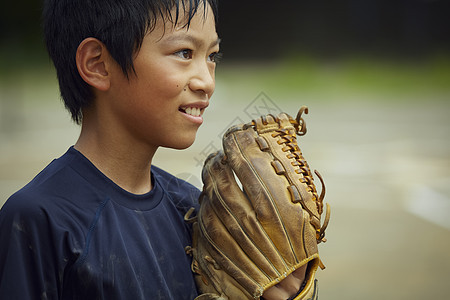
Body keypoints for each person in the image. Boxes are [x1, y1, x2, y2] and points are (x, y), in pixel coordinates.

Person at [0, 0, 306, 299]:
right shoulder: (38, 220)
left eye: (213, 55)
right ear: (98, 64)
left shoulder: (195, 210)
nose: (207, 81)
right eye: (184, 53)